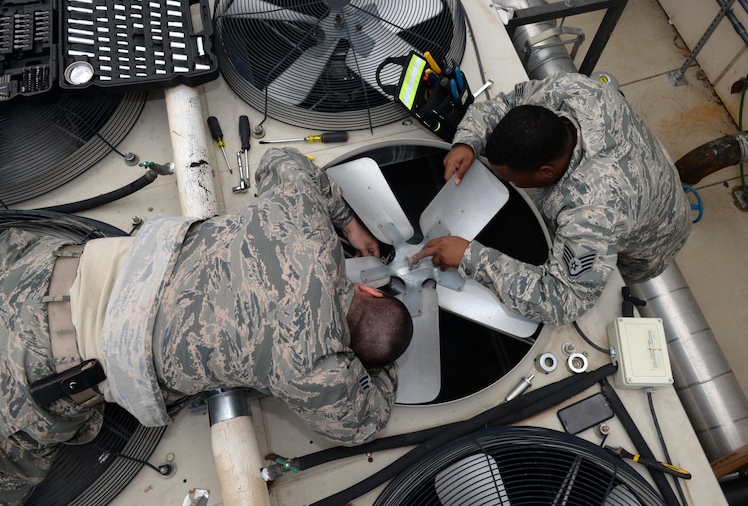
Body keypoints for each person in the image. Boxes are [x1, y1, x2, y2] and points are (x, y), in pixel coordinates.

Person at [0, 147, 413, 505]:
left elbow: (280, 160)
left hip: (36, 267)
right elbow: (362, 424)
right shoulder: (317, 372)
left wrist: (348, 224)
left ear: (370, 291)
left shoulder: (305, 220)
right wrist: (378, 364)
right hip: (31, 370)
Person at [410, 71, 691, 325]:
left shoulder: (592, 210)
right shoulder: (569, 89)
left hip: (655, 237)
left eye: (510, 179)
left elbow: (564, 299)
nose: (506, 184)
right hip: (646, 174)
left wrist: (470, 257)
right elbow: (505, 106)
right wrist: (467, 141)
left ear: (546, 172)